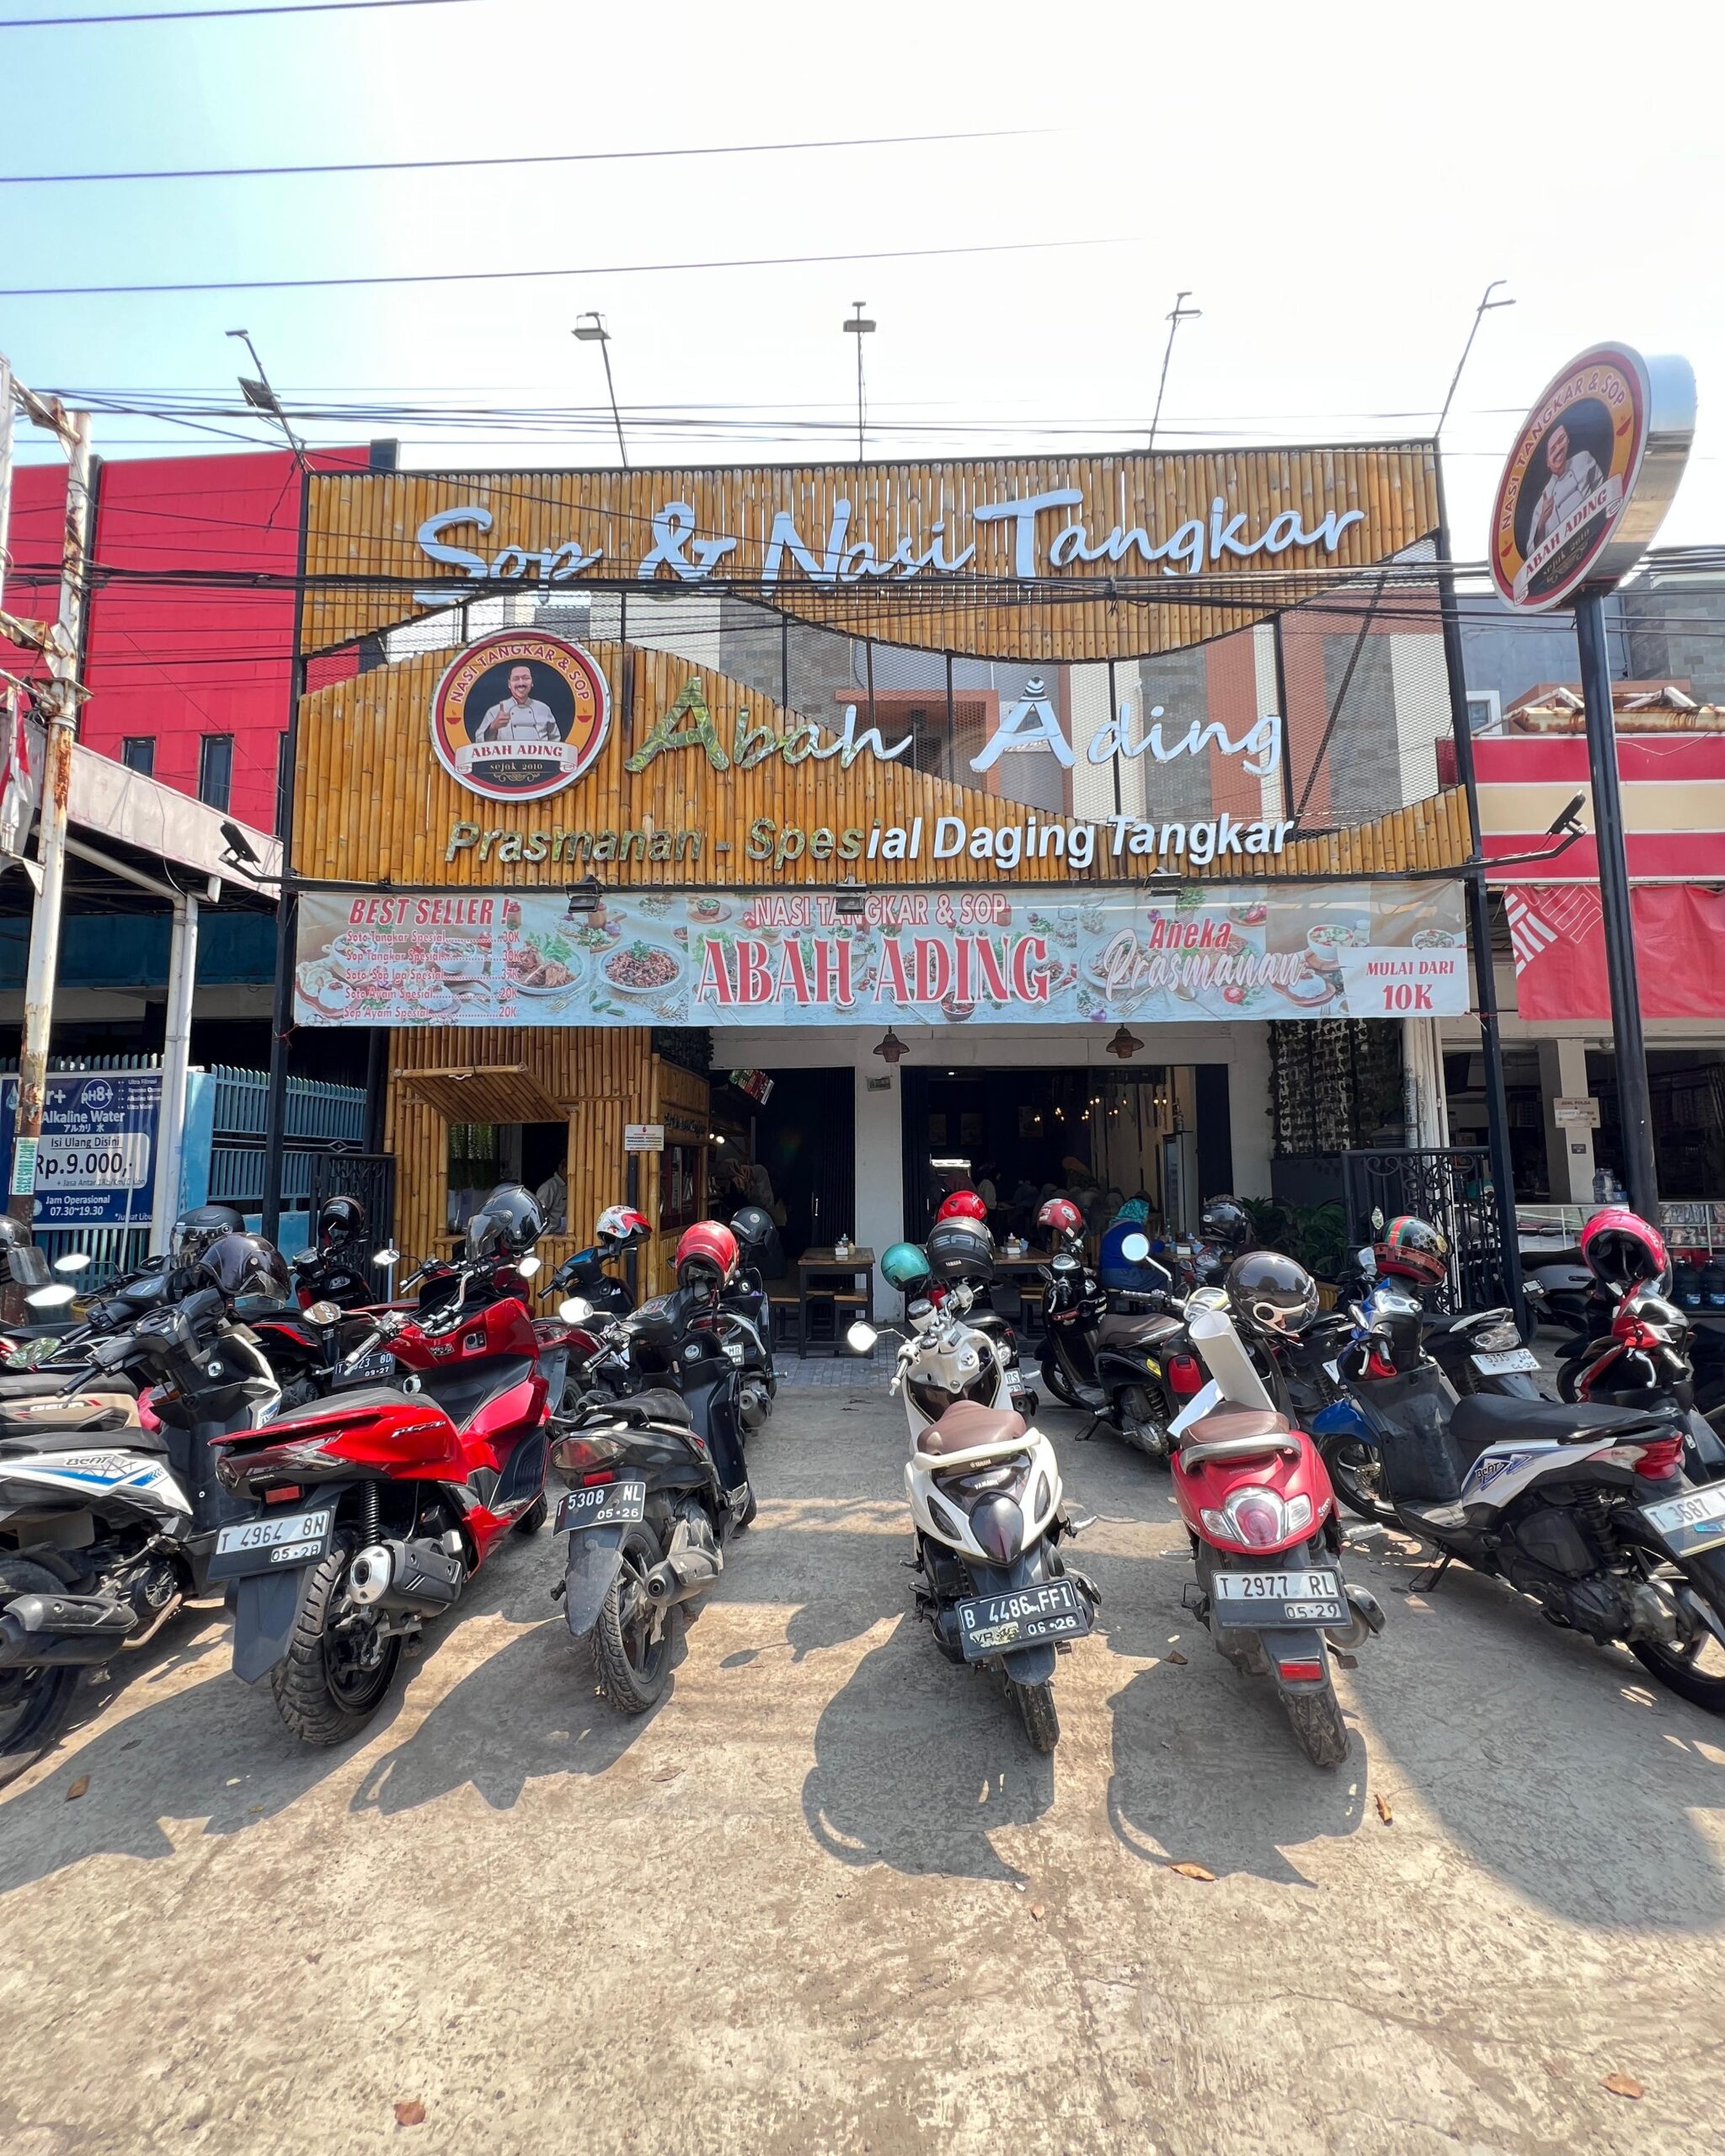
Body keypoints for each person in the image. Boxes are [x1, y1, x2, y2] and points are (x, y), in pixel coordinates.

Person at [1528, 423, 1605, 552]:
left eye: (1561, 439)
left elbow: (1601, 488)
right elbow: (1532, 552)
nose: (1559, 449)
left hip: (1594, 538)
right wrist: (1542, 522)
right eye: (1553, 449)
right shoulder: (1541, 504)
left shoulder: (1584, 459)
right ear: (1547, 462)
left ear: (1568, 439)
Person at [476, 664, 562, 745]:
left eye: (526, 678)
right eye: (516, 679)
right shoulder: (494, 711)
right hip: (508, 757)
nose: (521, 683)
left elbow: (556, 740)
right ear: (509, 684)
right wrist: (493, 727)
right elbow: (479, 742)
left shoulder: (544, 709)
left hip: (539, 756)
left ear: (532, 683)